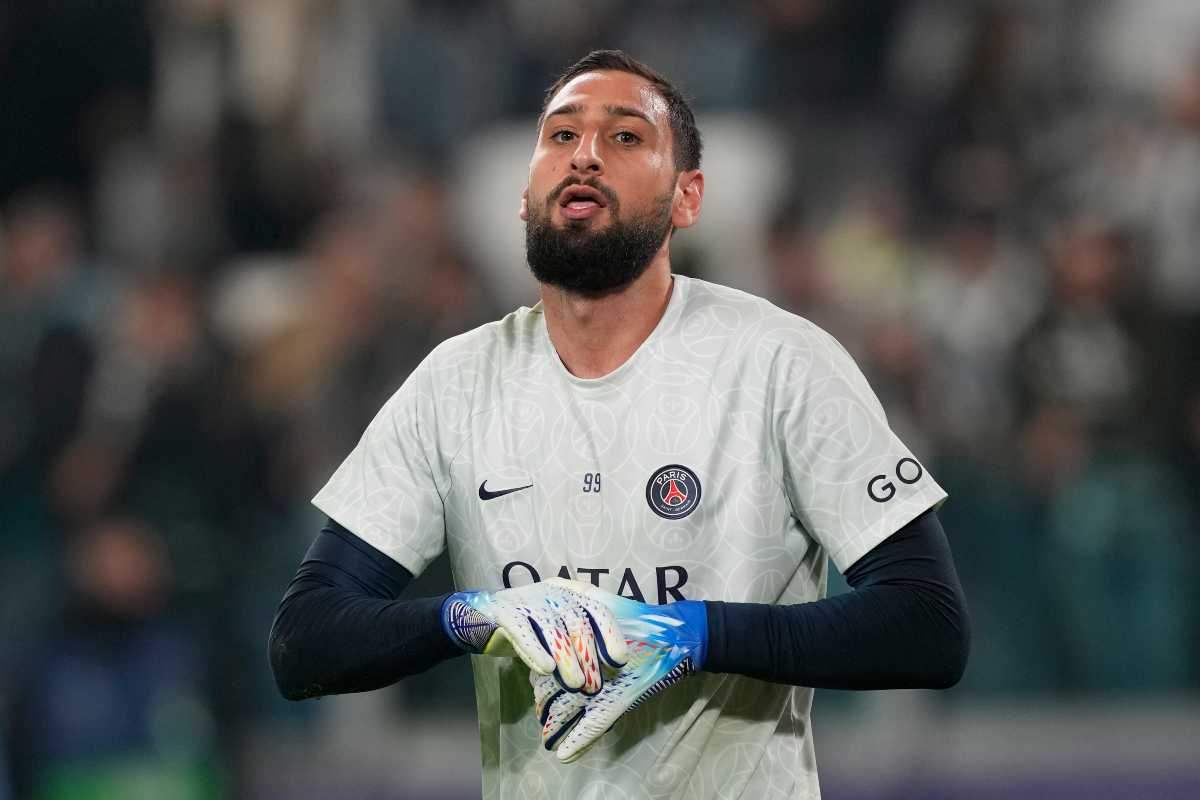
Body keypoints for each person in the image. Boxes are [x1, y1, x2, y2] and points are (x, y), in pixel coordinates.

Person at [269, 50, 969, 799]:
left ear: (687, 197)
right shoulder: (457, 383)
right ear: (526, 195)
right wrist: (475, 617)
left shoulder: (780, 363)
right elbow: (305, 641)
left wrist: (689, 635)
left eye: (626, 137)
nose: (585, 155)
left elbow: (927, 624)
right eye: (561, 135)